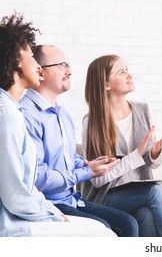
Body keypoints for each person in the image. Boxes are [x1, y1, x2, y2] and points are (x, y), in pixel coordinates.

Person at [0, 13, 115, 237]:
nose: (38, 66)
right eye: (32, 57)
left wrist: (83, 165)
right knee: (105, 235)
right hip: (16, 222)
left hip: (36, 210)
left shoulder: (13, 109)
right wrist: (51, 212)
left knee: (109, 229)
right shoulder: (8, 114)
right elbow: (16, 195)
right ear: (15, 60)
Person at [19, 45, 139, 237]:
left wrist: (85, 163)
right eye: (62, 65)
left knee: (127, 223)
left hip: (70, 199)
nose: (69, 71)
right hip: (48, 203)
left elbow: (65, 156)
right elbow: (39, 178)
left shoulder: (62, 114)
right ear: (40, 72)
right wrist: (86, 172)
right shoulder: (26, 114)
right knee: (105, 230)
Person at [80, 54, 162, 237]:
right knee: (154, 192)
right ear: (106, 84)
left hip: (138, 194)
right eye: (121, 72)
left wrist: (154, 155)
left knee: (146, 215)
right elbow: (97, 180)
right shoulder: (92, 122)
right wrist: (136, 156)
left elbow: (152, 164)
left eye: (127, 69)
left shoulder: (142, 111)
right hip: (106, 197)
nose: (129, 75)